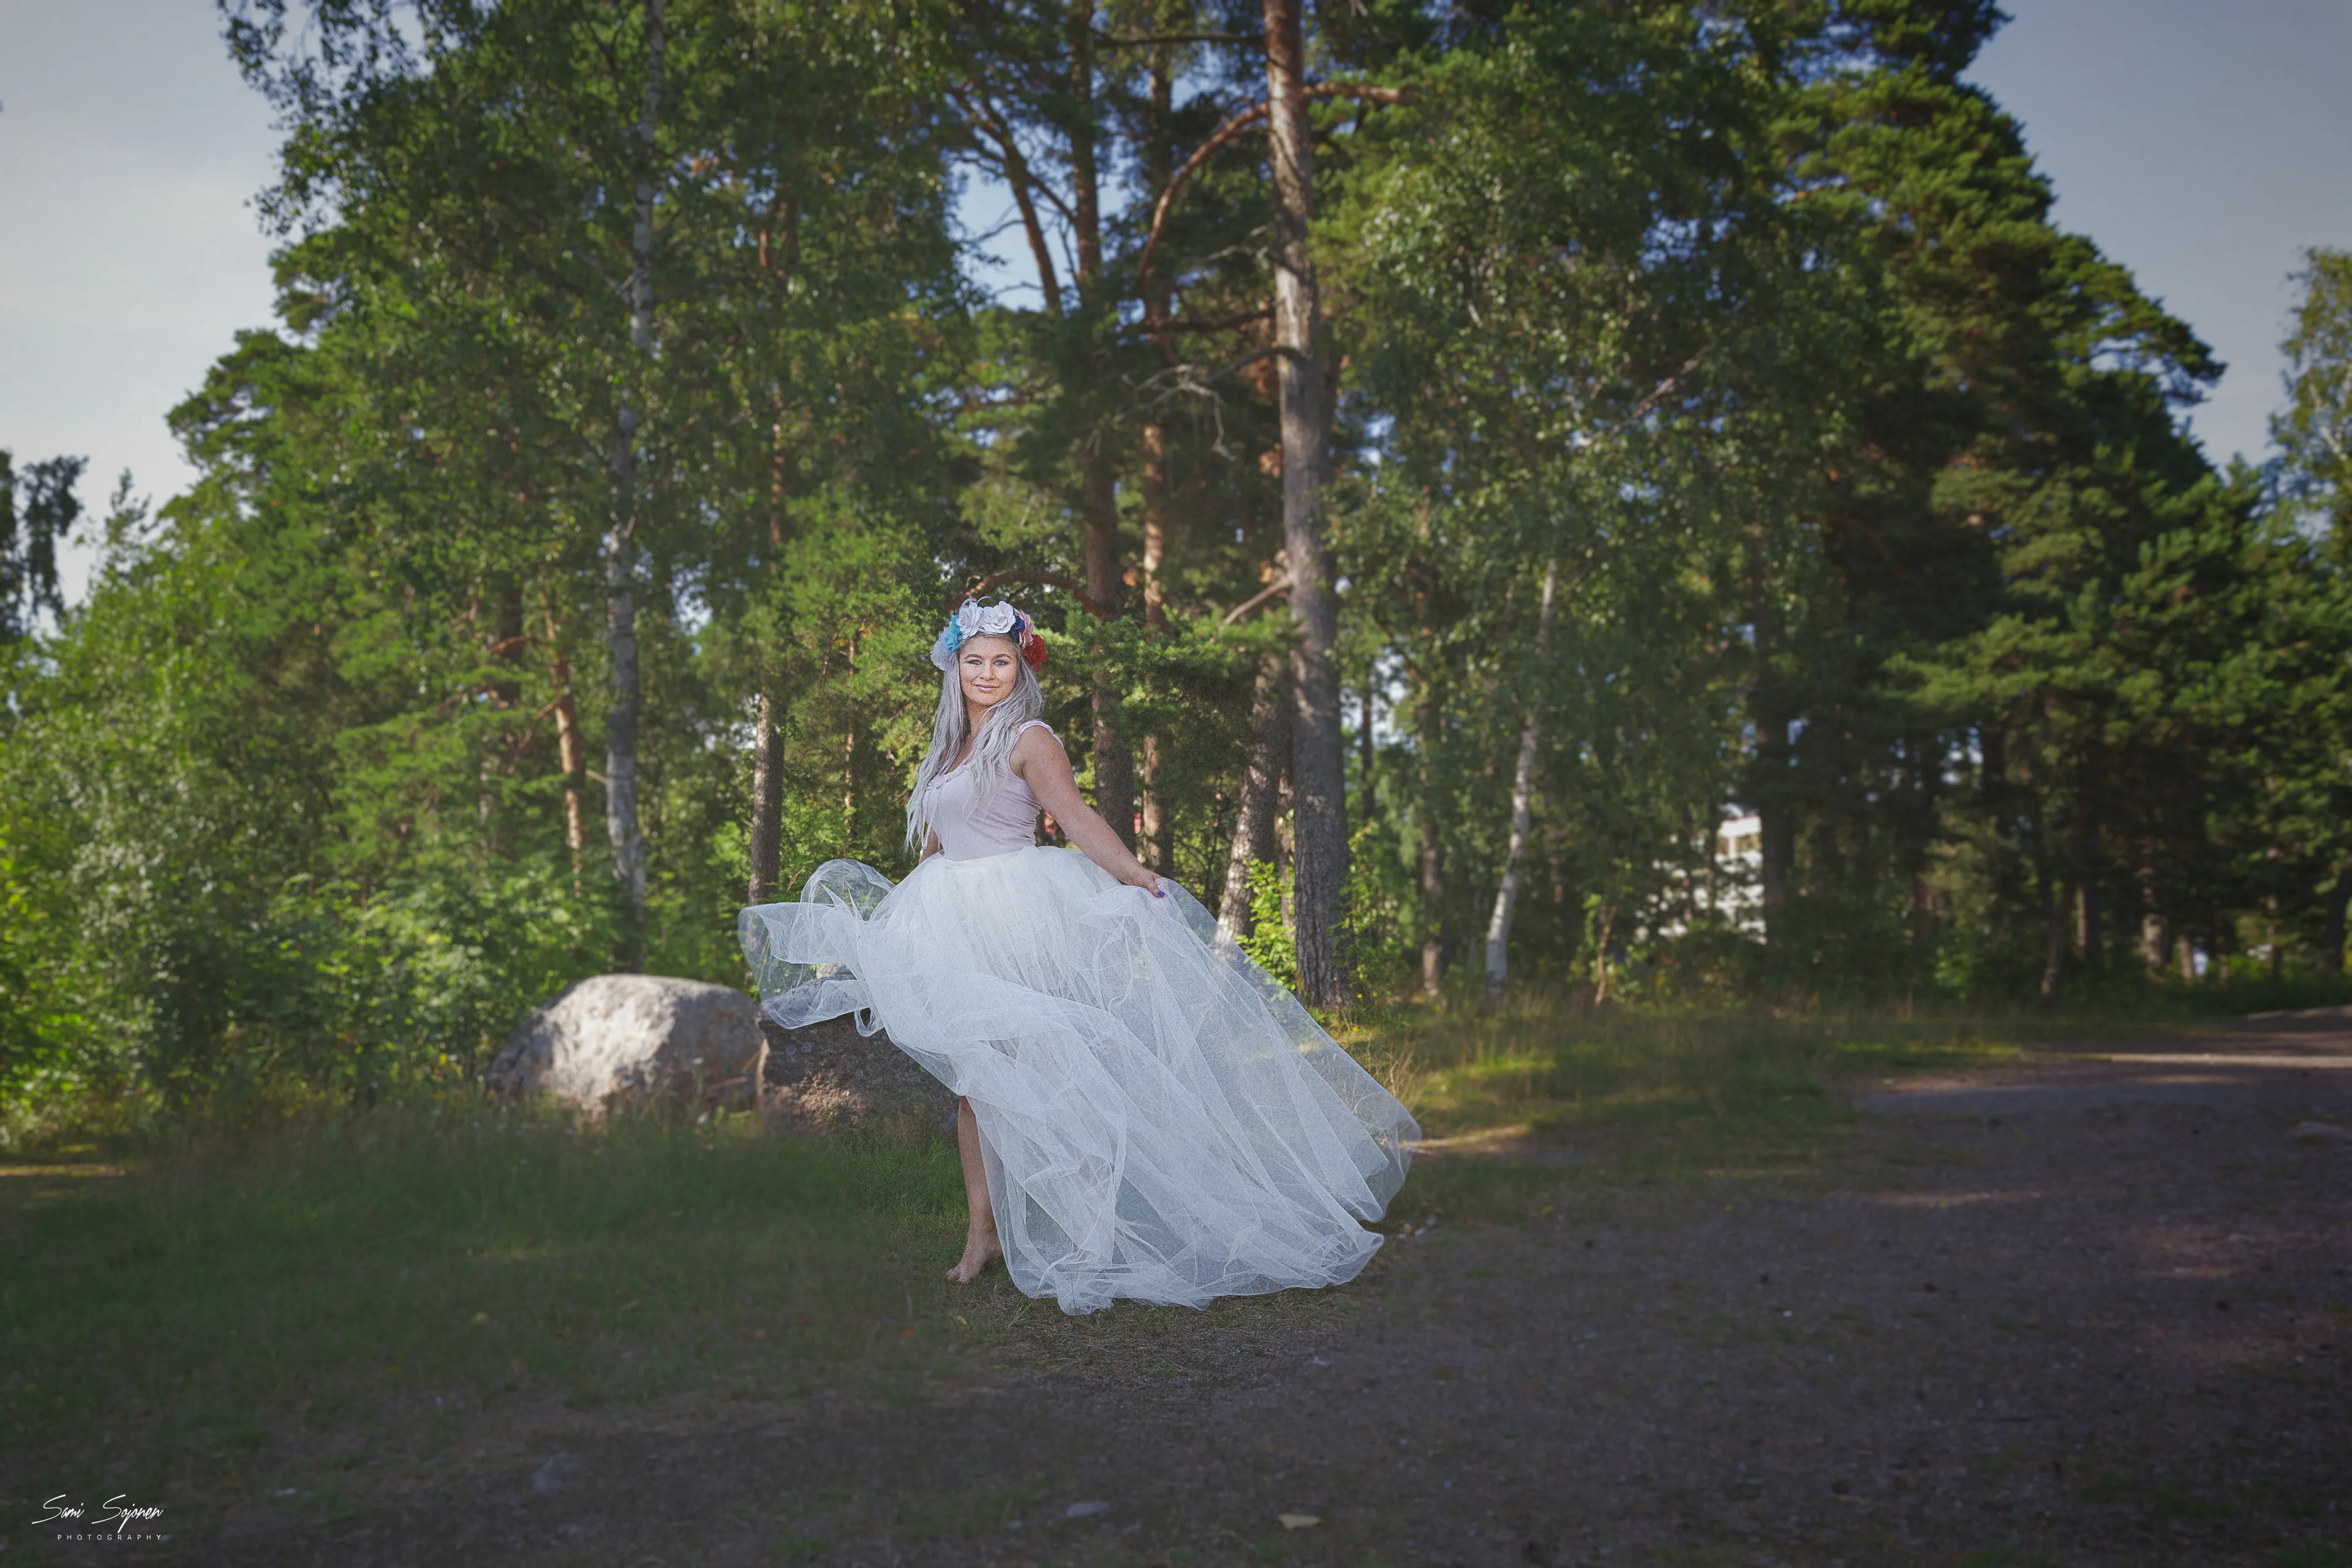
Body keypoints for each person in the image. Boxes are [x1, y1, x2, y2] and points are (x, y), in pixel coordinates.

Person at [739, 598, 1417, 1314]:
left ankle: (1093, 1234)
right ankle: (983, 1235)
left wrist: (1132, 873)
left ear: (1021, 666)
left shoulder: (1030, 737)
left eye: (1002, 660)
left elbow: (1078, 814)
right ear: (955, 666)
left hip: (1018, 913)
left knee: (1052, 1070)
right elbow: (939, 841)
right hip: (950, 914)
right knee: (974, 1082)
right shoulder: (948, 750)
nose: (988, 673)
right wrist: (901, 923)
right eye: (975, 660)